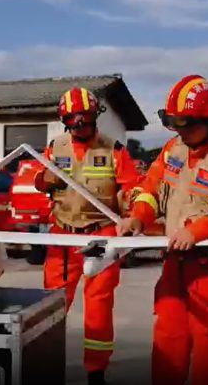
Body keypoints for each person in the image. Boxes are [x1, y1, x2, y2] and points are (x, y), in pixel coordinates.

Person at [117, 75, 208, 385]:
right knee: (168, 332)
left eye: (188, 125)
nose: (181, 132)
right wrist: (138, 216)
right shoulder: (173, 148)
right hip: (175, 261)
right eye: (176, 125)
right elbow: (151, 189)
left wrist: (198, 230)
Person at [35, 87, 143, 385]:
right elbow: (39, 181)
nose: (80, 124)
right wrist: (44, 180)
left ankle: (96, 371)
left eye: (86, 118)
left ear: (96, 116)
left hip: (100, 236)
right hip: (63, 234)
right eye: (74, 119)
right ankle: (44, 363)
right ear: (65, 120)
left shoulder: (115, 150)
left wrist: (133, 214)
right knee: (51, 306)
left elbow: (131, 188)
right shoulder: (54, 147)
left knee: (98, 306)